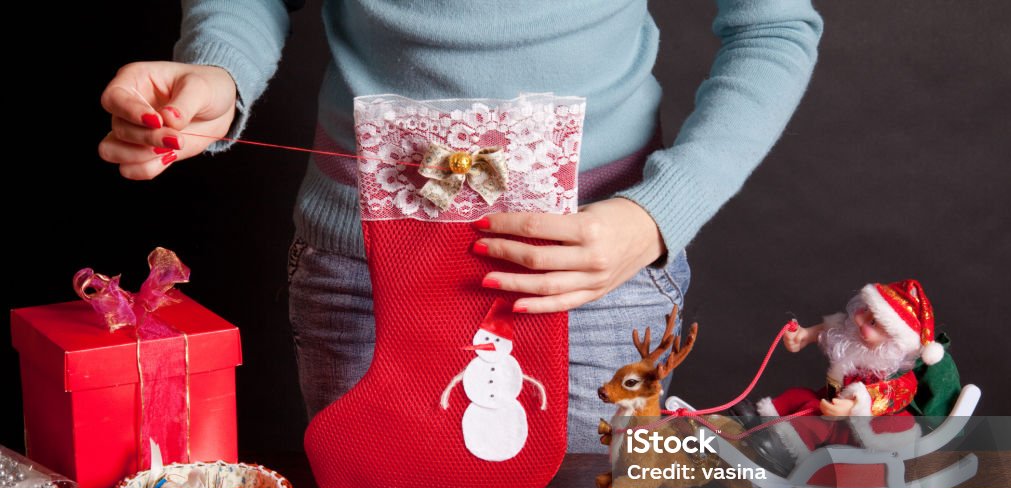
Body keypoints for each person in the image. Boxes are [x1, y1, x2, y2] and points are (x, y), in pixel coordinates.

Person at [97, 1, 824, 452]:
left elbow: (774, 26)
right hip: (363, 269)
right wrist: (220, 74)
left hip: (595, 278)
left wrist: (655, 216)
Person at [750, 279, 944, 463]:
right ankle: (759, 424)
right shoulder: (853, 336)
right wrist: (804, 335)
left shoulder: (897, 373)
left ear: (895, 339)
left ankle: (786, 450)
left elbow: (892, 395)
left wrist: (854, 407)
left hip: (865, 421)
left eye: (874, 323)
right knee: (798, 397)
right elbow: (829, 331)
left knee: (816, 419)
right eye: (866, 310)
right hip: (833, 398)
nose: (860, 320)